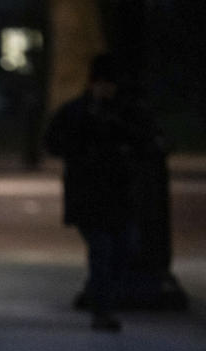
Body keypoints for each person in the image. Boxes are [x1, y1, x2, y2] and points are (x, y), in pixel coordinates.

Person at [44, 53, 148, 332]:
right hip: (90, 196)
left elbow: (144, 142)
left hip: (118, 194)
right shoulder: (77, 112)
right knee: (102, 252)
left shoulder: (125, 112)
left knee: (124, 250)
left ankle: (100, 297)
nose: (106, 89)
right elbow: (54, 142)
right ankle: (102, 309)